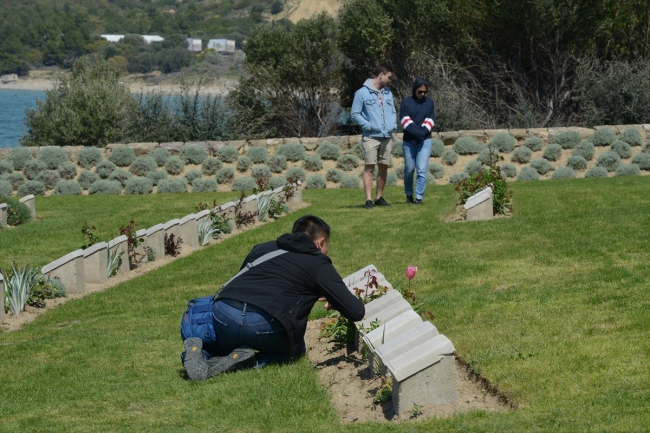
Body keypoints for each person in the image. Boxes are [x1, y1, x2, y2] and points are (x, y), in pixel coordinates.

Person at [181, 215, 366, 380]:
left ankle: (203, 354)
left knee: (228, 342)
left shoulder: (263, 248)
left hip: (224, 314)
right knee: (296, 349)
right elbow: (356, 311)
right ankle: (252, 361)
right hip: (263, 324)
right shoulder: (318, 262)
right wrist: (336, 301)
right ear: (320, 243)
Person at [351, 63, 398, 209]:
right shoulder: (361, 93)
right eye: (389, 77)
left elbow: (392, 111)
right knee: (369, 168)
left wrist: (392, 124)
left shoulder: (388, 93)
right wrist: (368, 126)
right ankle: (368, 200)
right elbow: (355, 114)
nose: (390, 80)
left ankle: (379, 197)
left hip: (386, 136)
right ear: (381, 75)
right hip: (371, 137)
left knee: (383, 167)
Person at [400, 78, 435, 204]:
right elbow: (405, 123)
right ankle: (409, 193)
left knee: (421, 170)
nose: (422, 94)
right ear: (415, 90)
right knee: (409, 169)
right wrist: (419, 133)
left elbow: (430, 121)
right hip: (409, 142)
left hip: (424, 141)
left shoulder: (429, 103)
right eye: (420, 91)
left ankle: (419, 197)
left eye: (425, 92)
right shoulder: (406, 103)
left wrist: (421, 134)